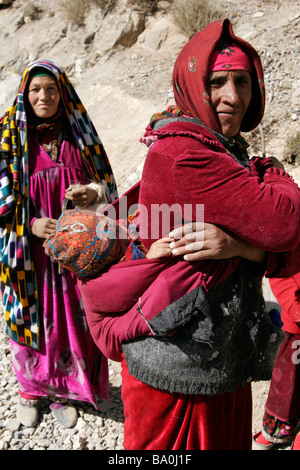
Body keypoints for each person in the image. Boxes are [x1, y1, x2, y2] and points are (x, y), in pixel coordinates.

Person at [76, 19, 300, 450]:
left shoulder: (213, 144)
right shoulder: (184, 154)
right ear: (192, 84)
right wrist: (274, 172)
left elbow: (264, 238)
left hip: (214, 362)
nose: (233, 97)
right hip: (176, 377)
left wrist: (237, 245)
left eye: (243, 82)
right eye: (217, 82)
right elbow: (285, 222)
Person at [0, 59, 118, 428]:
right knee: (34, 318)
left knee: (72, 317)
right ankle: (32, 390)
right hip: (28, 254)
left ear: (62, 92)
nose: (44, 96)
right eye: (36, 89)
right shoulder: (9, 138)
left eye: (51, 89)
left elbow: (106, 184)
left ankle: (66, 388)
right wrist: (30, 224)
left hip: (74, 250)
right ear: (24, 94)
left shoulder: (77, 132)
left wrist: (91, 192)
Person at [43, 208, 173, 276]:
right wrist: (149, 259)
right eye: (119, 247)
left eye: (117, 229)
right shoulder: (121, 268)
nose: (126, 238)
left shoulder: (124, 224)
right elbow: (134, 276)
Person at [253, 271, 300, 449]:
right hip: (296, 329)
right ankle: (277, 429)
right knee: (285, 387)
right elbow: (280, 272)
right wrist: (297, 309)